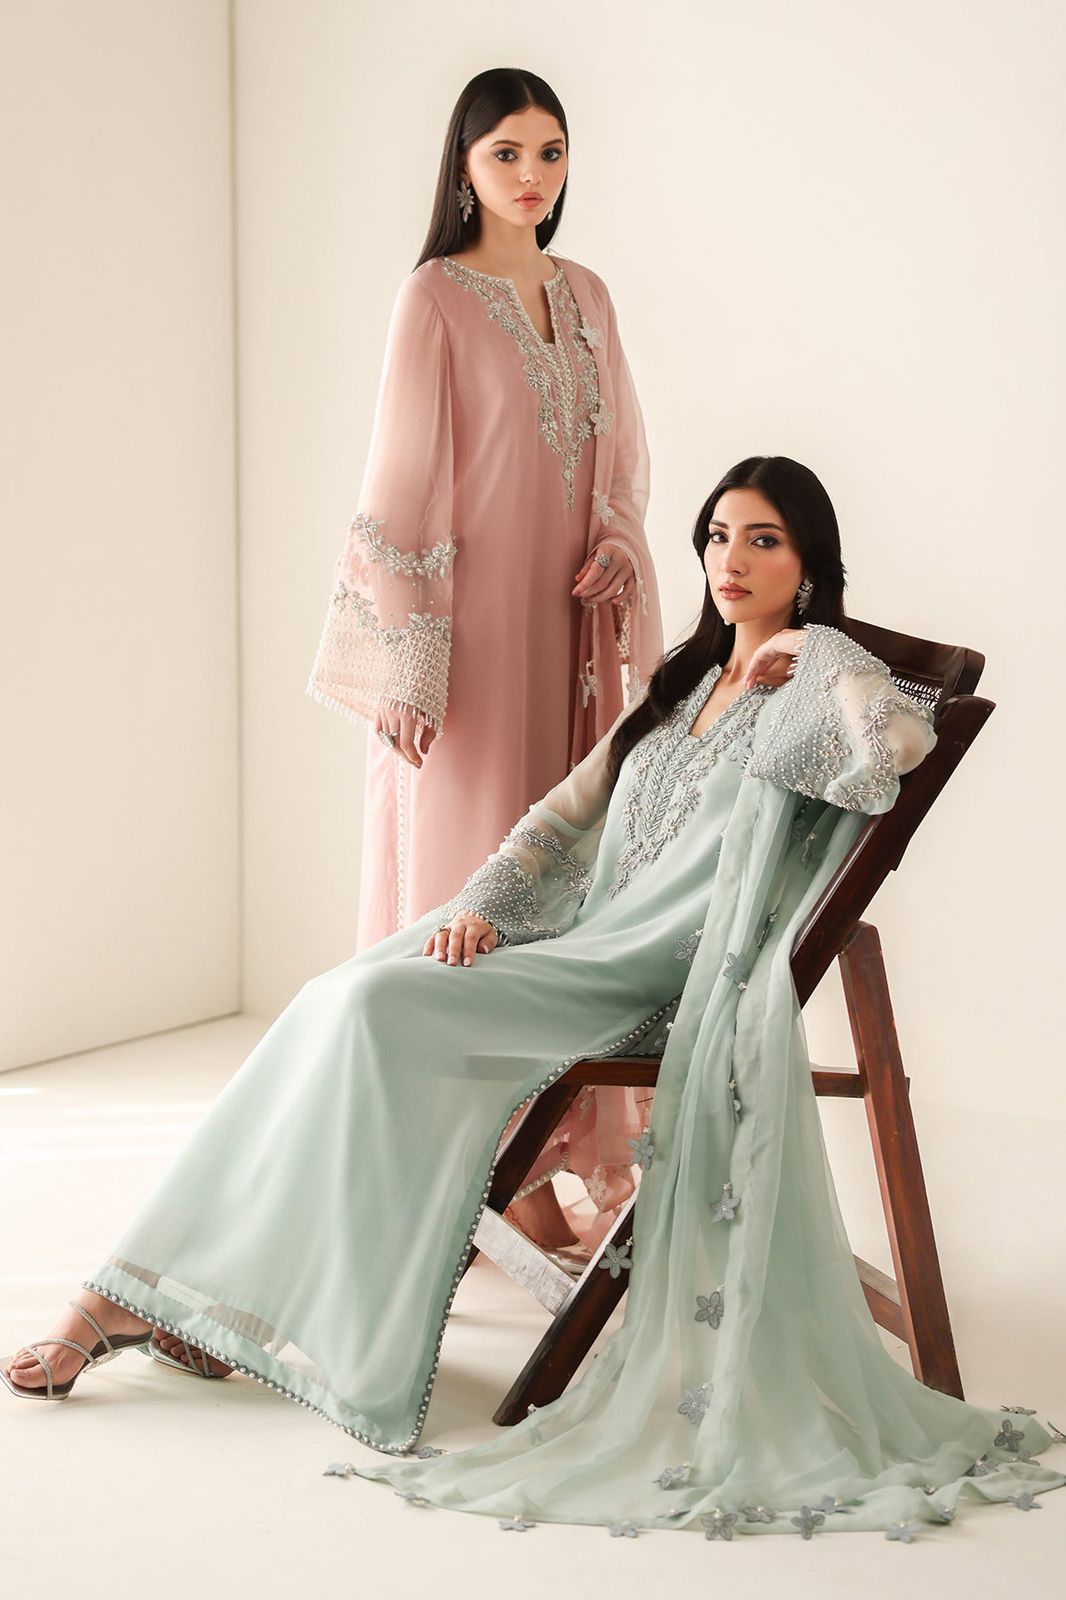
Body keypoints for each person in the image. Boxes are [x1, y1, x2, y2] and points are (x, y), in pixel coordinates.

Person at [6, 457, 1063, 1540]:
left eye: (763, 540)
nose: (730, 561)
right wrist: (483, 907)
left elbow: (897, 747)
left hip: (647, 980)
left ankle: (138, 1302)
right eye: (716, 536)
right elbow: (563, 816)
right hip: (566, 937)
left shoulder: (812, 687)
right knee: (337, 997)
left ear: (810, 561)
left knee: (368, 1014)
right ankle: (196, 1294)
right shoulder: (683, 684)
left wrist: (816, 651)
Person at [306, 67, 663, 1256]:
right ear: (463, 167)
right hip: (471, 650)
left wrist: (618, 547)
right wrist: (407, 661)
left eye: (549, 152)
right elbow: (401, 481)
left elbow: (623, 459)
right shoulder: (435, 299)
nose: (530, 175)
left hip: (570, 643)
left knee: (568, 893)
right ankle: (465, 1166)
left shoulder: (589, 295)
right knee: (472, 891)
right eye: (506, 152)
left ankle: (541, 1157)